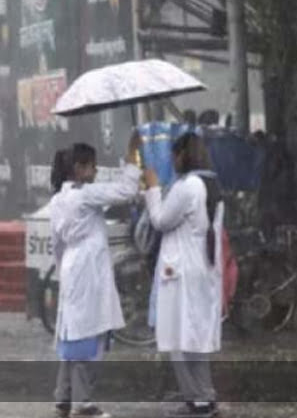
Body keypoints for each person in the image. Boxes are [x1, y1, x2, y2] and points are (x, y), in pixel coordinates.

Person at [50, 137, 143, 418]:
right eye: (92, 167)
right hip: (88, 270)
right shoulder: (84, 195)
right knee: (86, 336)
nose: (96, 173)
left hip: (71, 266)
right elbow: (126, 191)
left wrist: (64, 271)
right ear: (79, 168)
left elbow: (57, 246)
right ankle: (83, 404)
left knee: (72, 335)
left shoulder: (58, 199)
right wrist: (133, 160)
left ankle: (63, 399)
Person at [142, 132, 224, 417]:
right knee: (195, 336)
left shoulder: (188, 186)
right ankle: (203, 395)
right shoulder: (211, 184)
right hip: (201, 267)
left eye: (174, 155)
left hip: (182, 271)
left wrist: (152, 190)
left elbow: (161, 220)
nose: (171, 161)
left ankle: (198, 400)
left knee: (181, 338)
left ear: (182, 156)